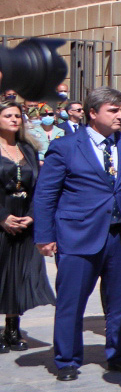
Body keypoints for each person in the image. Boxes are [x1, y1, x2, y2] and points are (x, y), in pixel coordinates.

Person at [33, 87, 121, 381]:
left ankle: (120, 355)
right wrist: (44, 235)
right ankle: (66, 359)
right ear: (93, 114)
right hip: (78, 234)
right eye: (113, 111)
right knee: (72, 301)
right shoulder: (67, 146)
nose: (120, 116)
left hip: (120, 235)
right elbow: (45, 194)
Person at [0, 101, 54, 348]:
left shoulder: (27, 149)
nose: (14, 120)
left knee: (18, 275)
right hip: (3, 216)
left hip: (24, 219)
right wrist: (2, 217)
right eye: (8, 115)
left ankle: (13, 329)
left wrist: (33, 215)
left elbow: (38, 188)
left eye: (17, 116)